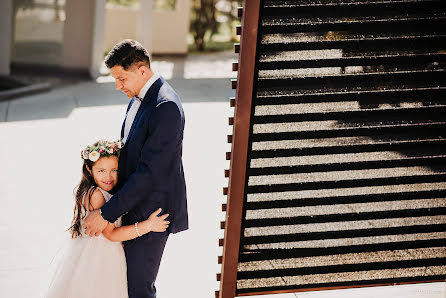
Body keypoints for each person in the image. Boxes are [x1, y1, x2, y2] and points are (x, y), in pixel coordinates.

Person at [83, 39, 188, 298]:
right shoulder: (137, 98)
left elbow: (149, 173)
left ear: (142, 71)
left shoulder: (166, 107)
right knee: (121, 284)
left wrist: (107, 213)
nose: (118, 86)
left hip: (150, 213)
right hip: (129, 205)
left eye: (121, 78)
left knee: (139, 289)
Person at [46, 140, 170, 298]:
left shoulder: (108, 192)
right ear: (89, 170)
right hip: (98, 257)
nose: (108, 176)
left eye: (114, 170)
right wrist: (148, 225)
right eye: (101, 171)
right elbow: (111, 235)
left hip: (107, 254)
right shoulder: (96, 196)